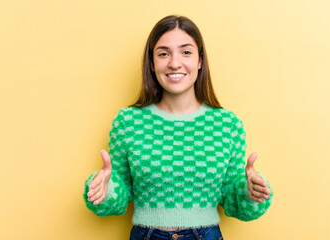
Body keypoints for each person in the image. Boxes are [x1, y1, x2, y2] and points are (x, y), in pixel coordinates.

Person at [83, 15, 273, 240]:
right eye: (163, 53)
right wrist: (104, 191)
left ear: (200, 60)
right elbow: (121, 190)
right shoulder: (128, 122)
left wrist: (250, 193)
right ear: (152, 63)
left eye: (186, 52)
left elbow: (231, 196)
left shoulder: (227, 125)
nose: (174, 63)